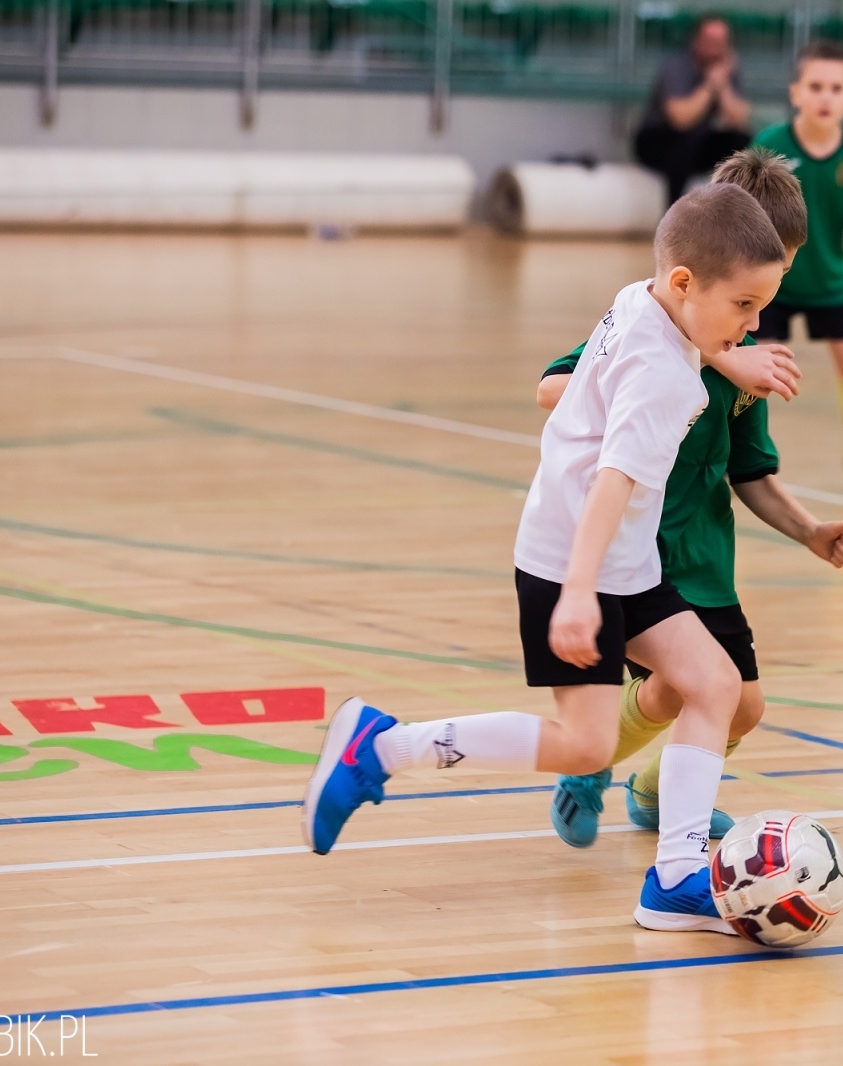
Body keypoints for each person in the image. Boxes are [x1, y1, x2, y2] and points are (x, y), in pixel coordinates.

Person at [302, 183, 789, 935]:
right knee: (583, 743)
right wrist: (581, 593)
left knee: (713, 682)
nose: (751, 327)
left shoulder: (641, 298)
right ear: (687, 284)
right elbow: (611, 482)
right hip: (577, 562)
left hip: (615, 558)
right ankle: (383, 746)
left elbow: (659, 341)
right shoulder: (662, 381)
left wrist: (730, 356)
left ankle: (678, 877)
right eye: (745, 307)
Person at [536, 148, 843, 849]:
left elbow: (749, 471)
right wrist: (704, 356)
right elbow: (552, 391)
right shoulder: (658, 328)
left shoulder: (750, 348)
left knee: (741, 707)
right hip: (645, 551)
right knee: (686, 689)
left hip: (708, 553)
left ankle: (654, 796)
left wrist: (808, 531)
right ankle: (591, 768)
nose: (759, 309)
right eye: (750, 293)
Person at [751, 40, 843, 500]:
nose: (825, 96)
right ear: (796, 93)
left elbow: (838, 206)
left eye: (836, 88)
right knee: (758, 370)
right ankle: (743, 455)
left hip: (830, 280)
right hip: (776, 281)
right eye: (815, 86)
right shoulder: (771, 146)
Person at [634, 15, 753, 204]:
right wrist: (709, 86)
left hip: (696, 141)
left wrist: (723, 86)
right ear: (696, 41)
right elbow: (680, 119)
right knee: (686, 140)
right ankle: (673, 217)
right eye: (710, 41)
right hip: (656, 140)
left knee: (742, 142)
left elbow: (739, 120)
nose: (715, 48)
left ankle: (733, 212)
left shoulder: (727, 71)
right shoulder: (676, 66)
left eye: (720, 42)